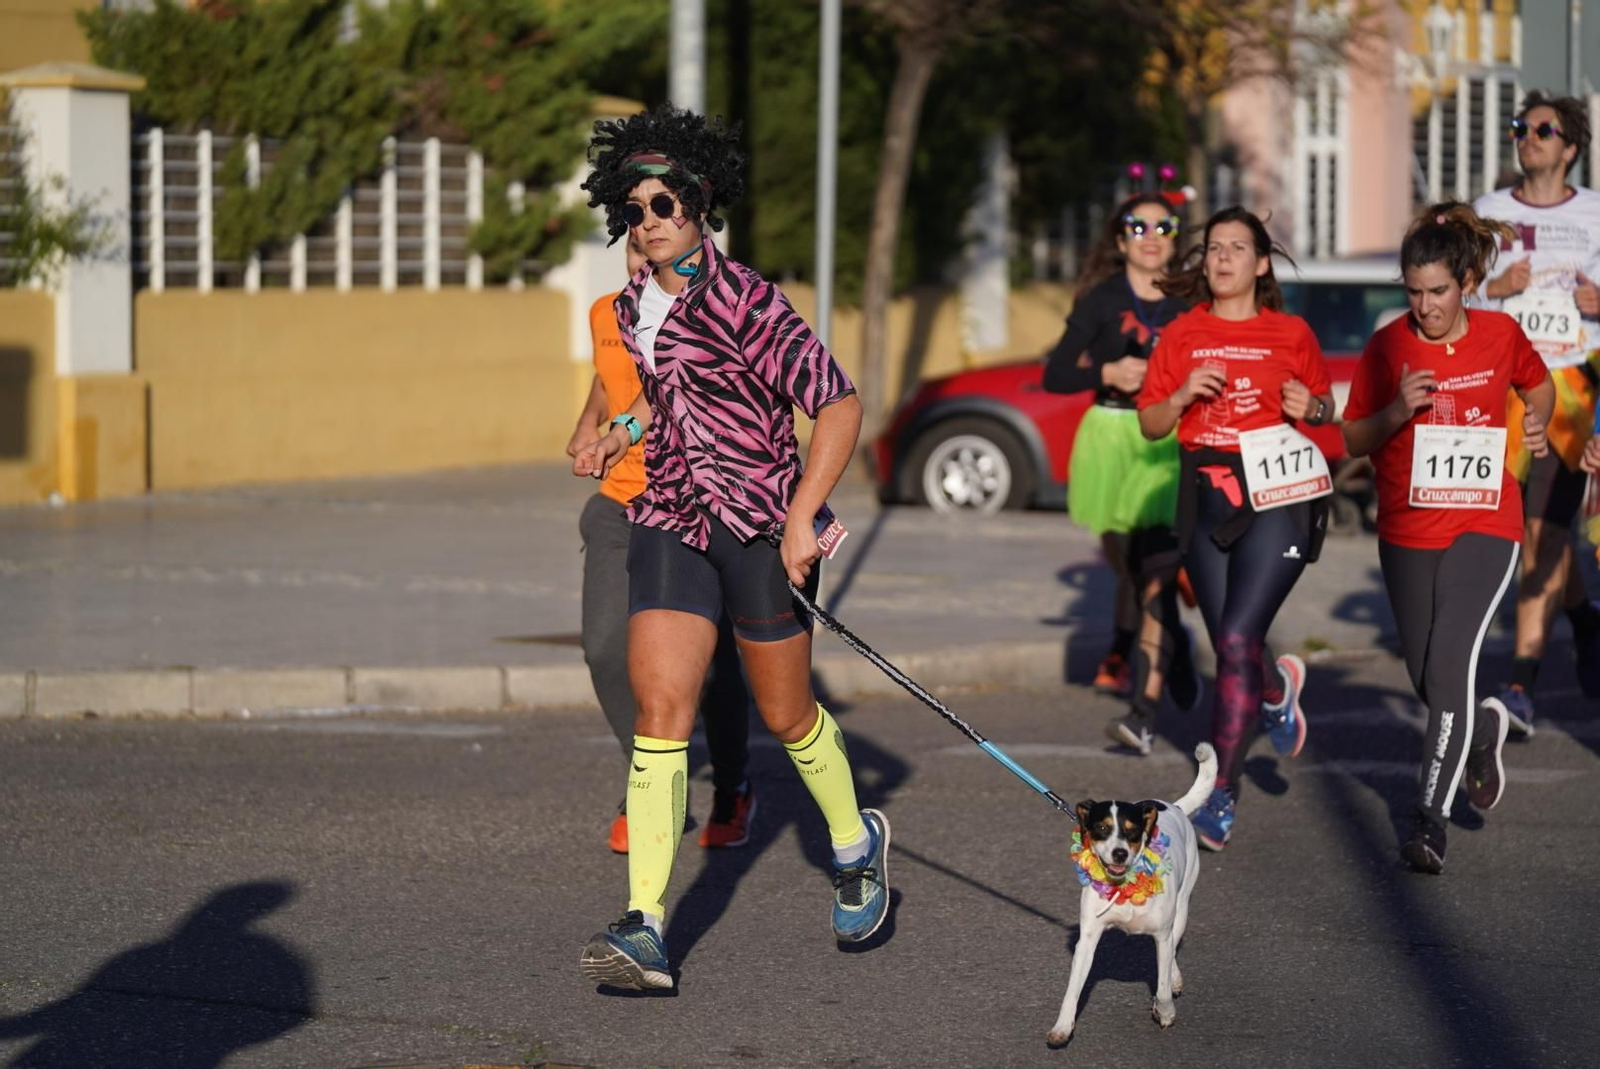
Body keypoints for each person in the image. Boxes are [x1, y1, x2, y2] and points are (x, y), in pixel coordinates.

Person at [570, 104, 887, 990]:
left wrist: (802, 515)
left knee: (785, 716)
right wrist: (616, 433)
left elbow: (838, 403)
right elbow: (663, 400)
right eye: (633, 208)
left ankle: (857, 846)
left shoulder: (749, 301)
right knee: (661, 706)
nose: (650, 219)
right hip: (671, 515)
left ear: (701, 202)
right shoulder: (635, 305)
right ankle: (645, 924)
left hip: (757, 521)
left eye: (665, 201)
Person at [1342, 202, 1554, 874]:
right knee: (1428, 677)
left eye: (1438, 291)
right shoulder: (1387, 346)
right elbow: (1351, 439)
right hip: (1406, 528)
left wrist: (1537, 426)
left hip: (1486, 519)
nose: (1426, 307)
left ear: (1464, 282)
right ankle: (1481, 726)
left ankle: (1427, 820)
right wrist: (1397, 409)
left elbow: (1540, 387)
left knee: (1449, 662)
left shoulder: (1499, 333)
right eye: (1414, 293)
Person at [1136, 207, 1332, 851]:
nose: (1222, 258)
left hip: (1278, 494)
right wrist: (1183, 391)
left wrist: (1315, 406)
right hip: (1205, 493)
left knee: (1242, 632)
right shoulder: (1183, 333)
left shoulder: (1291, 332)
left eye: (1237, 248)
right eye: (1214, 248)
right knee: (1231, 647)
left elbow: (1328, 411)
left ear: (1261, 262)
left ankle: (1220, 793)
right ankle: (1276, 689)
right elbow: (1151, 425)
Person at [567, 235, 755, 855]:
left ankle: (732, 786)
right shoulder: (607, 312)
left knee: (719, 663)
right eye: (633, 247)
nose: (644, 257)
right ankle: (646, 777)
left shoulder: (715, 316)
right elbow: (611, 377)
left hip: (697, 504)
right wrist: (588, 424)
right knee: (603, 645)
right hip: (620, 502)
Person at [1043, 193, 1201, 754]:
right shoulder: (1102, 298)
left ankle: (1144, 704)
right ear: (1120, 239)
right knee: (1132, 567)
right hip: (1111, 439)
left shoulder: (1191, 299)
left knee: (1159, 565)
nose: (1151, 235)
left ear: (1177, 237)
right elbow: (1056, 373)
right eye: (1139, 226)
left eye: (1165, 226)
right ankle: (1175, 648)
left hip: (1168, 438)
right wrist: (1107, 368)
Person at [1472, 90, 1600, 734]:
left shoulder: (1597, 214)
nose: (1529, 137)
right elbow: (1446, 293)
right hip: (1500, 385)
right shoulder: (1488, 212)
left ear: (1571, 146)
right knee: (1518, 530)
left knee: (1544, 535)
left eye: (1543, 130)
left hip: (1573, 387)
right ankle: (1583, 619)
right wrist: (1496, 288)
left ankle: (1520, 684)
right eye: (1521, 127)